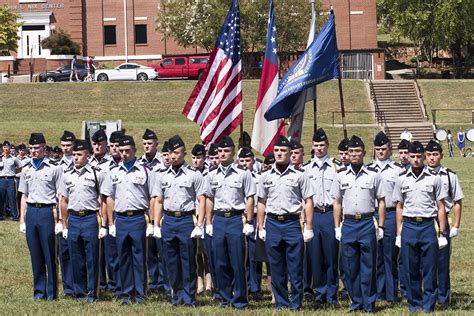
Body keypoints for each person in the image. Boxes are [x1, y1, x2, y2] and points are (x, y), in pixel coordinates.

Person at [257, 135, 314, 310]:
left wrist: (309, 227)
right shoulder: (265, 176)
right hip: (273, 223)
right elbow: (261, 202)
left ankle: (296, 303)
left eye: (283, 151)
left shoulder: (300, 175)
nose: (279, 154)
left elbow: (308, 201)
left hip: (292, 224)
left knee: (295, 266)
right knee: (275, 266)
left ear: (290, 154)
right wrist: (261, 226)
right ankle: (281, 303)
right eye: (277, 151)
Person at [332, 135, 386, 313]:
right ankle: (356, 301)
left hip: (366, 222)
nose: (354, 154)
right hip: (348, 224)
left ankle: (369, 302)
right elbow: (337, 202)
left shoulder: (374, 175)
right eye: (351, 151)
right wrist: (337, 226)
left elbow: (381, 201)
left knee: (368, 265)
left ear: (363, 153)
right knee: (350, 266)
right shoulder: (340, 176)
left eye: (357, 151)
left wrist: (382, 226)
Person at [393, 141, 447, 313]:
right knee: (410, 267)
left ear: (423, 157)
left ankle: (429, 304)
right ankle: (414, 303)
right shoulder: (401, 178)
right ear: (407, 156)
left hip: (427, 226)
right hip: (409, 226)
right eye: (412, 156)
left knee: (430, 267)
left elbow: (440, 207)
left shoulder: (434, 178)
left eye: (418, 156)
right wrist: (399, 233)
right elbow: (399, 207)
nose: (415, 160)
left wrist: (441, 233)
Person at [153, 135, 207, 306]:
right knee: (171, 261)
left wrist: (199, 224)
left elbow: (202, 199)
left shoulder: (193, 175)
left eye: (176, 152)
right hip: (168, 220)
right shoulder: (162, 175)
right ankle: (176, 295)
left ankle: (189, 296)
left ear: (184, 153)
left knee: (188, 260)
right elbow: (158, 201)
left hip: (185, 220)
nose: (173, 156)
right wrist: (155, 224)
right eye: (170, 152)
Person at [104, 135, 155, 304]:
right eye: (121, 151)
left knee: (139, 257)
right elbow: (109, 198)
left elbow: (153, 197)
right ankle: (125, 293)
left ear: (134, 150)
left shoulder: (145, 171)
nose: (124, 154)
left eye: (127, 150)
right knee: (123, 256)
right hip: (121, 219)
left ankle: (140, 293)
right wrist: (111, 222)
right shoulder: (113, 172)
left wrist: (152, 222)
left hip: (138, 218)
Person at [206, 136, 256, 308]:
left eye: (226, 151)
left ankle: (241, 298)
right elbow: (209, 199)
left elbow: (250, 198)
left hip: (235, 219)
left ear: (234, 153)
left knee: (237, 261)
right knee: (220, 261)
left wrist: (249, 222)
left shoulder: (243, 174)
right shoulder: (211, 175)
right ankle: (224, 297)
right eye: (220, 151)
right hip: (219, 219)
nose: (222, 154)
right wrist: (208, 222)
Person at [60, 140, 108, 302]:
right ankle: (79, 292)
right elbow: (64, 201)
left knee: (92, 257)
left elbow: (103, 199)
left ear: (88, 155)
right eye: (74, 155)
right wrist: (64, 224)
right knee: (76, 256)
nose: (75, 158)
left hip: (90, 218)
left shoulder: (97, 172)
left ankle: (93, 292)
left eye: (79, 155)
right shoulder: (66, 174)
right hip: (73, 218)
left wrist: (104, 223)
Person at [19, 133, 63, 301]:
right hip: (32, 212)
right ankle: (39, 292)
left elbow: (60, 196)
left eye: (37, 148)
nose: (33, 151)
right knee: (35, 254)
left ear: (44, 148)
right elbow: (23, 195)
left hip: (47, 212)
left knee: (50, 253)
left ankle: (52, 293)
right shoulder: (26, 169)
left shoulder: (54, 168)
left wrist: (59, 220)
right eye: (31, 148)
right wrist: (22, 219)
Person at [305, 128, 343, 306]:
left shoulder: (337, 166)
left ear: (327, 145)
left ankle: (331, 293)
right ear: (312, 146)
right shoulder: (305, 168)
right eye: (316, 145)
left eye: (322, 145)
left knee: (331, 256)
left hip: (329, 214)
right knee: (315, 256)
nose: (319, 148)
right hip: (314, 216)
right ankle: (319, 293)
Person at [425, 140, 464, 306]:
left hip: (442, 222)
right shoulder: (419, 173)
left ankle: (443, 297)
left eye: (435, 154)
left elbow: (457, 201)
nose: (432, 158)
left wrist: (456, 225)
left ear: (441, 155)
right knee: (424, 262)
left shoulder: (449, 175)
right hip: (424, 221)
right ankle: (426, 295)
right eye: (429, 155)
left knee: (442, 261)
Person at [369, 132, 404, 303]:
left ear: (390, 149)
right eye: (378, 149)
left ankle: (391, 293)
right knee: (376, 256)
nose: (381, 152)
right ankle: (378, 291)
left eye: (383, 149)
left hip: (390, 213)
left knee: (390, 255)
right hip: (373, 214)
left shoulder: (397, 170)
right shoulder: (368, 169)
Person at [140, 128, 168, 295]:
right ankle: (154, 282)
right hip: (145, 212)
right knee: (149, 252)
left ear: (156, 144)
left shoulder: (163, 161)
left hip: (162, 211)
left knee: (162, 251)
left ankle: (165, 283)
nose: (147, 146)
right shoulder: (139, 163)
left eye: (150, 143)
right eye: (144, 144)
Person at [101, 131, 123, 297]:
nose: (115, 149)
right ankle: (114, 284)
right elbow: (102, 196)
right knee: (110, 253)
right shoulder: (102, 167)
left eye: (118, 146)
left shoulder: (130, 163)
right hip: (109, 216)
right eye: (112, 146)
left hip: (126, 214)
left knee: (126, 252)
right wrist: (106, 221)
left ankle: (126, 284)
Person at [191, 144, 213, 296]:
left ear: (204, 158)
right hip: (193, 217)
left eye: (198, 158)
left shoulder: (210, 174)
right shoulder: (189, 173)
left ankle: (209, 285)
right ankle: (199, 285)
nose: (195, 161)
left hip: (207, 218)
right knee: (197, 254)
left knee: (208, 254)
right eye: (193, 158)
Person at [58, 130, 77, 297]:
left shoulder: (85, 163)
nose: (66, 148)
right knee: (64, 253)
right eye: (63, 145)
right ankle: (68, 287)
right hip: (61, 215)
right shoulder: (57, 166)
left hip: (78, 213)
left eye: (68, 145)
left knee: (79, 253)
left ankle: (81, 286)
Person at [0, 141, 22, 221]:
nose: (6, 149)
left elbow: (20, 167)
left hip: (11, 179)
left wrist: (14, 173)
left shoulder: (14, 159)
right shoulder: (0, 158)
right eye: (5, 147)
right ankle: (1, 215)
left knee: (12, 197)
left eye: (8, 147)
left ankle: (15, 216)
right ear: (3, 148)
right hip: (1, 179)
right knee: (1, 197)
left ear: (10, 148)